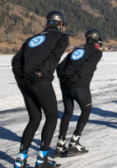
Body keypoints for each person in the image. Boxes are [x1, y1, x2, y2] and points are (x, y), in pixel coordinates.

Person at [11, 11, 69, 168]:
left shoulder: (32, 39)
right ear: (61, 24)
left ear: (47, 22)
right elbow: (54, 58)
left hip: (24, 82)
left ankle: (20, 160)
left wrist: (20, 76)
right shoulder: (61, 37)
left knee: (34, 119)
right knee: (52, 116)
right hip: (39, 80)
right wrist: (40, 73)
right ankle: (42, 159)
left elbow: (16, 59)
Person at [54, 29, 103, 157]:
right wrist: (73, 80)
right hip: (79, 85)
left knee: (67, 112)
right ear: (96, 41)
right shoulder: (96, 52)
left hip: (65, 86)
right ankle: (74, 142)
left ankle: (60, 145)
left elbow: (59, 66)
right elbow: (85, 69)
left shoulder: (76, 50)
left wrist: (63, 78)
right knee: (86, 110)